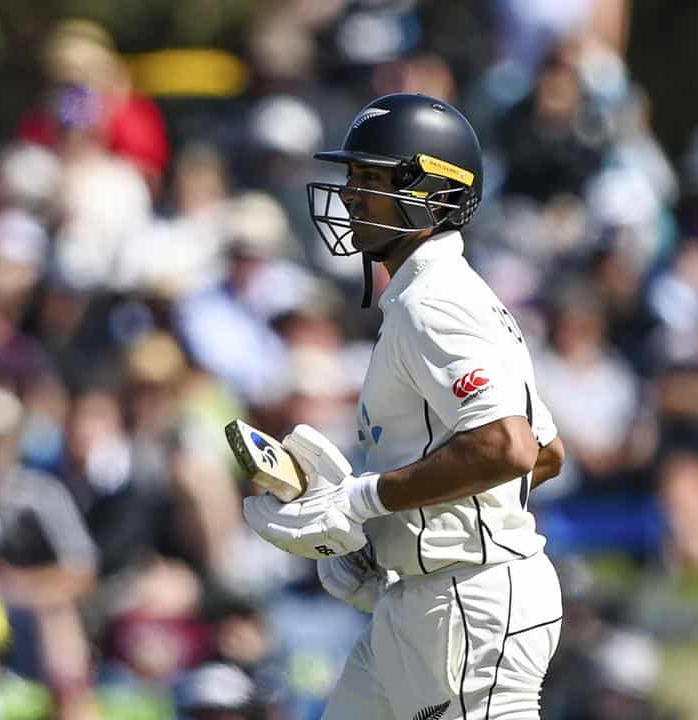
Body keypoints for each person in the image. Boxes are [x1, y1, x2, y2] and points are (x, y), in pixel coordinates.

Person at [243, 93, 568, 719]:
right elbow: (545, 454)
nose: (349, 195)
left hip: (470, 605)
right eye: (352, 176)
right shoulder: (432, 296)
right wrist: (393, 542)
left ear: (438, 196)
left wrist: (361, 501)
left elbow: (511, 448)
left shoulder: (435, 304)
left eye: (373, 178)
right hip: (424, 600)